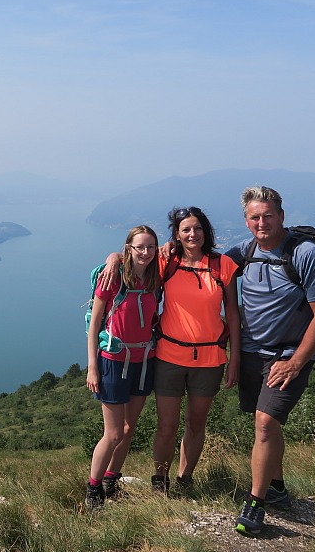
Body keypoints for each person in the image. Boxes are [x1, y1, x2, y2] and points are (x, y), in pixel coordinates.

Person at [100, 206, 240, 493]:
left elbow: (233, 314)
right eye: (185, 229)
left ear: (206, 231)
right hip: (169, 356)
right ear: (177, 234)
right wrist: (113, 257)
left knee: (196, 424)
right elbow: (137, 259)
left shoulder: (222, 265)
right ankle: (160, 480)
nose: (192, 234)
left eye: (197, 228)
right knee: (167, 425)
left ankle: (185, 479)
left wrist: (235, 357)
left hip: (210, 357)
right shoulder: (167, 261)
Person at [225, 186, 315, 537]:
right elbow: (203, 262)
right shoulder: (246, 251)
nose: (262, 222)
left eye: (268, 215)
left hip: (289, 354)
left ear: (281, 216)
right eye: (255, 217)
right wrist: (119, 257)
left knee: (264, 424)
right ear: (246, 222)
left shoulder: (307, 255)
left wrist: (296, 363)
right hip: (252, 352)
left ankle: (255, 504)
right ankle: (276, 487)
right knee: (265, 426)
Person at [84, 225, 161, 510]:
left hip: (144, 360)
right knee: (114, 433)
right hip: (114, 361)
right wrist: (93, 367)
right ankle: (93, 488)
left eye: (150, 247)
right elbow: (94, 326)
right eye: (139, 247)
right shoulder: (112, 278)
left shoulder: (155, 276)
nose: (145, 252)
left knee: (130, 429)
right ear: (128, 248)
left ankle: (110, 479)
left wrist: (115, 254)